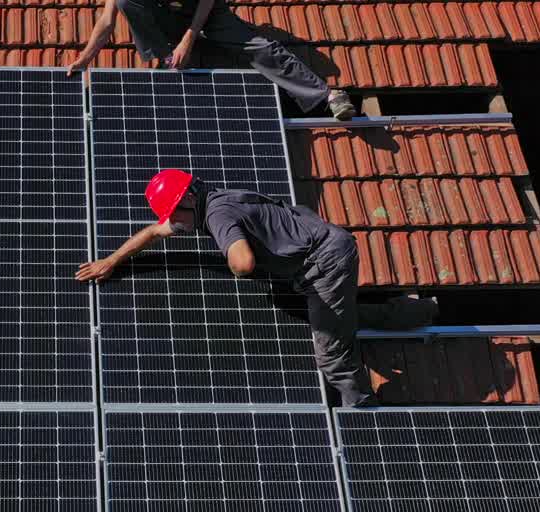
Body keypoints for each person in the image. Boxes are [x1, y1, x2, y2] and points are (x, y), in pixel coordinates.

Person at [76, 170, 436, 407]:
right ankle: (422, 311)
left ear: (187, 199)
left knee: (330, 350)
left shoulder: (218, 217)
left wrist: (234, 261)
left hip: (324, 261)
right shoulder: (214, 200)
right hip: (315, 249)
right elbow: (154, 231)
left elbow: (244, 263)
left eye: (175, 214)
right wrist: (113, 260)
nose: (174, 224)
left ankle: (361, 408)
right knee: (319, 309)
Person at [66, 0, 356, 121]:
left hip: (205, 10)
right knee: (127, 1)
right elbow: (106, 20)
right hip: (167, 18)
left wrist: (189, 39)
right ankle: (166, 56)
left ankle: (327, 95)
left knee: (257, 47)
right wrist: (85, 58)